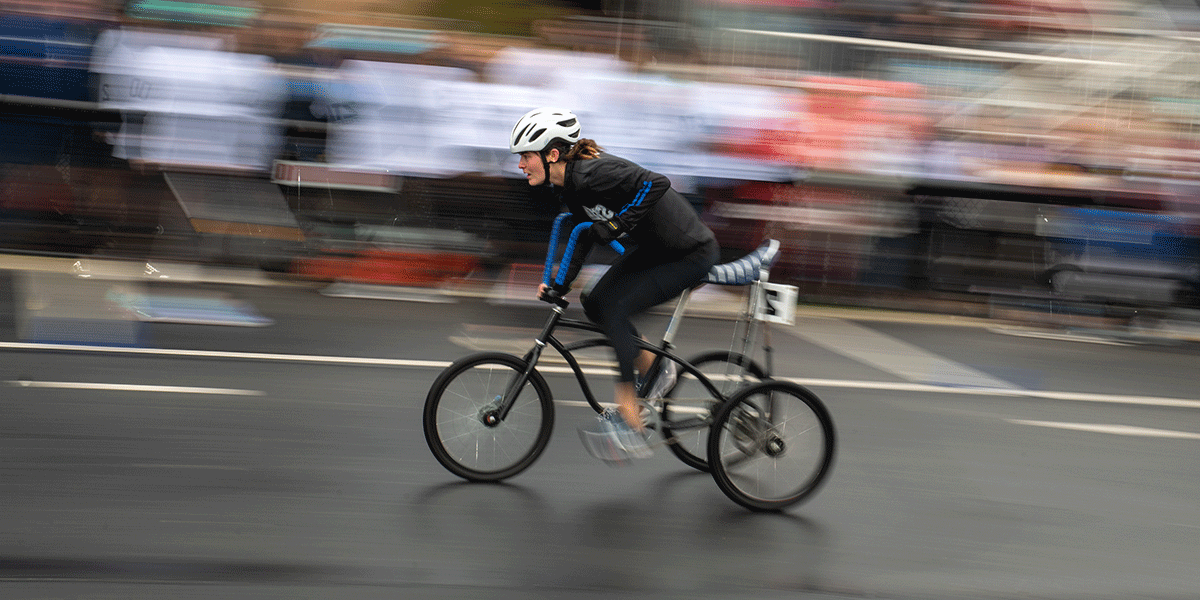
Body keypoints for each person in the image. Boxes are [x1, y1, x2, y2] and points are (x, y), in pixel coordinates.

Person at [510, 107, 720, 463]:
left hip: (690, 254)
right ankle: (654, 367)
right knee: (596, 301)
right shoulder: (572, 190)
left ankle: (629, 418)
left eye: (526, 156)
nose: (520, 165)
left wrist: (621, 223)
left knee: (616, 308)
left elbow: (656, 183)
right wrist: (561, 285)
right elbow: (583, 235)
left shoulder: (596, 172)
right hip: (658, 251)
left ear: (552, 154)